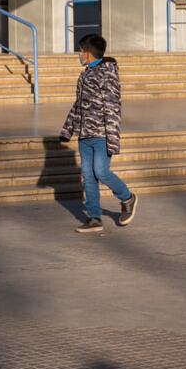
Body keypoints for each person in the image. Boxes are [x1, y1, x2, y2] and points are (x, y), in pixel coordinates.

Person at [60, 34, 138, 233]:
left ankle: (127, 198)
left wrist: (113, 137)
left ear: (88, 52)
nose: (79, 54)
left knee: (101, 171)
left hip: (102, 134)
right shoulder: (84, 74)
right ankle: (94, 218)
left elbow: (113, 106)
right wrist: (68, 129)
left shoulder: (107, 74)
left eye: (80, 50)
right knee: (88, 176)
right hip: (84, 134)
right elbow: (78, 105)